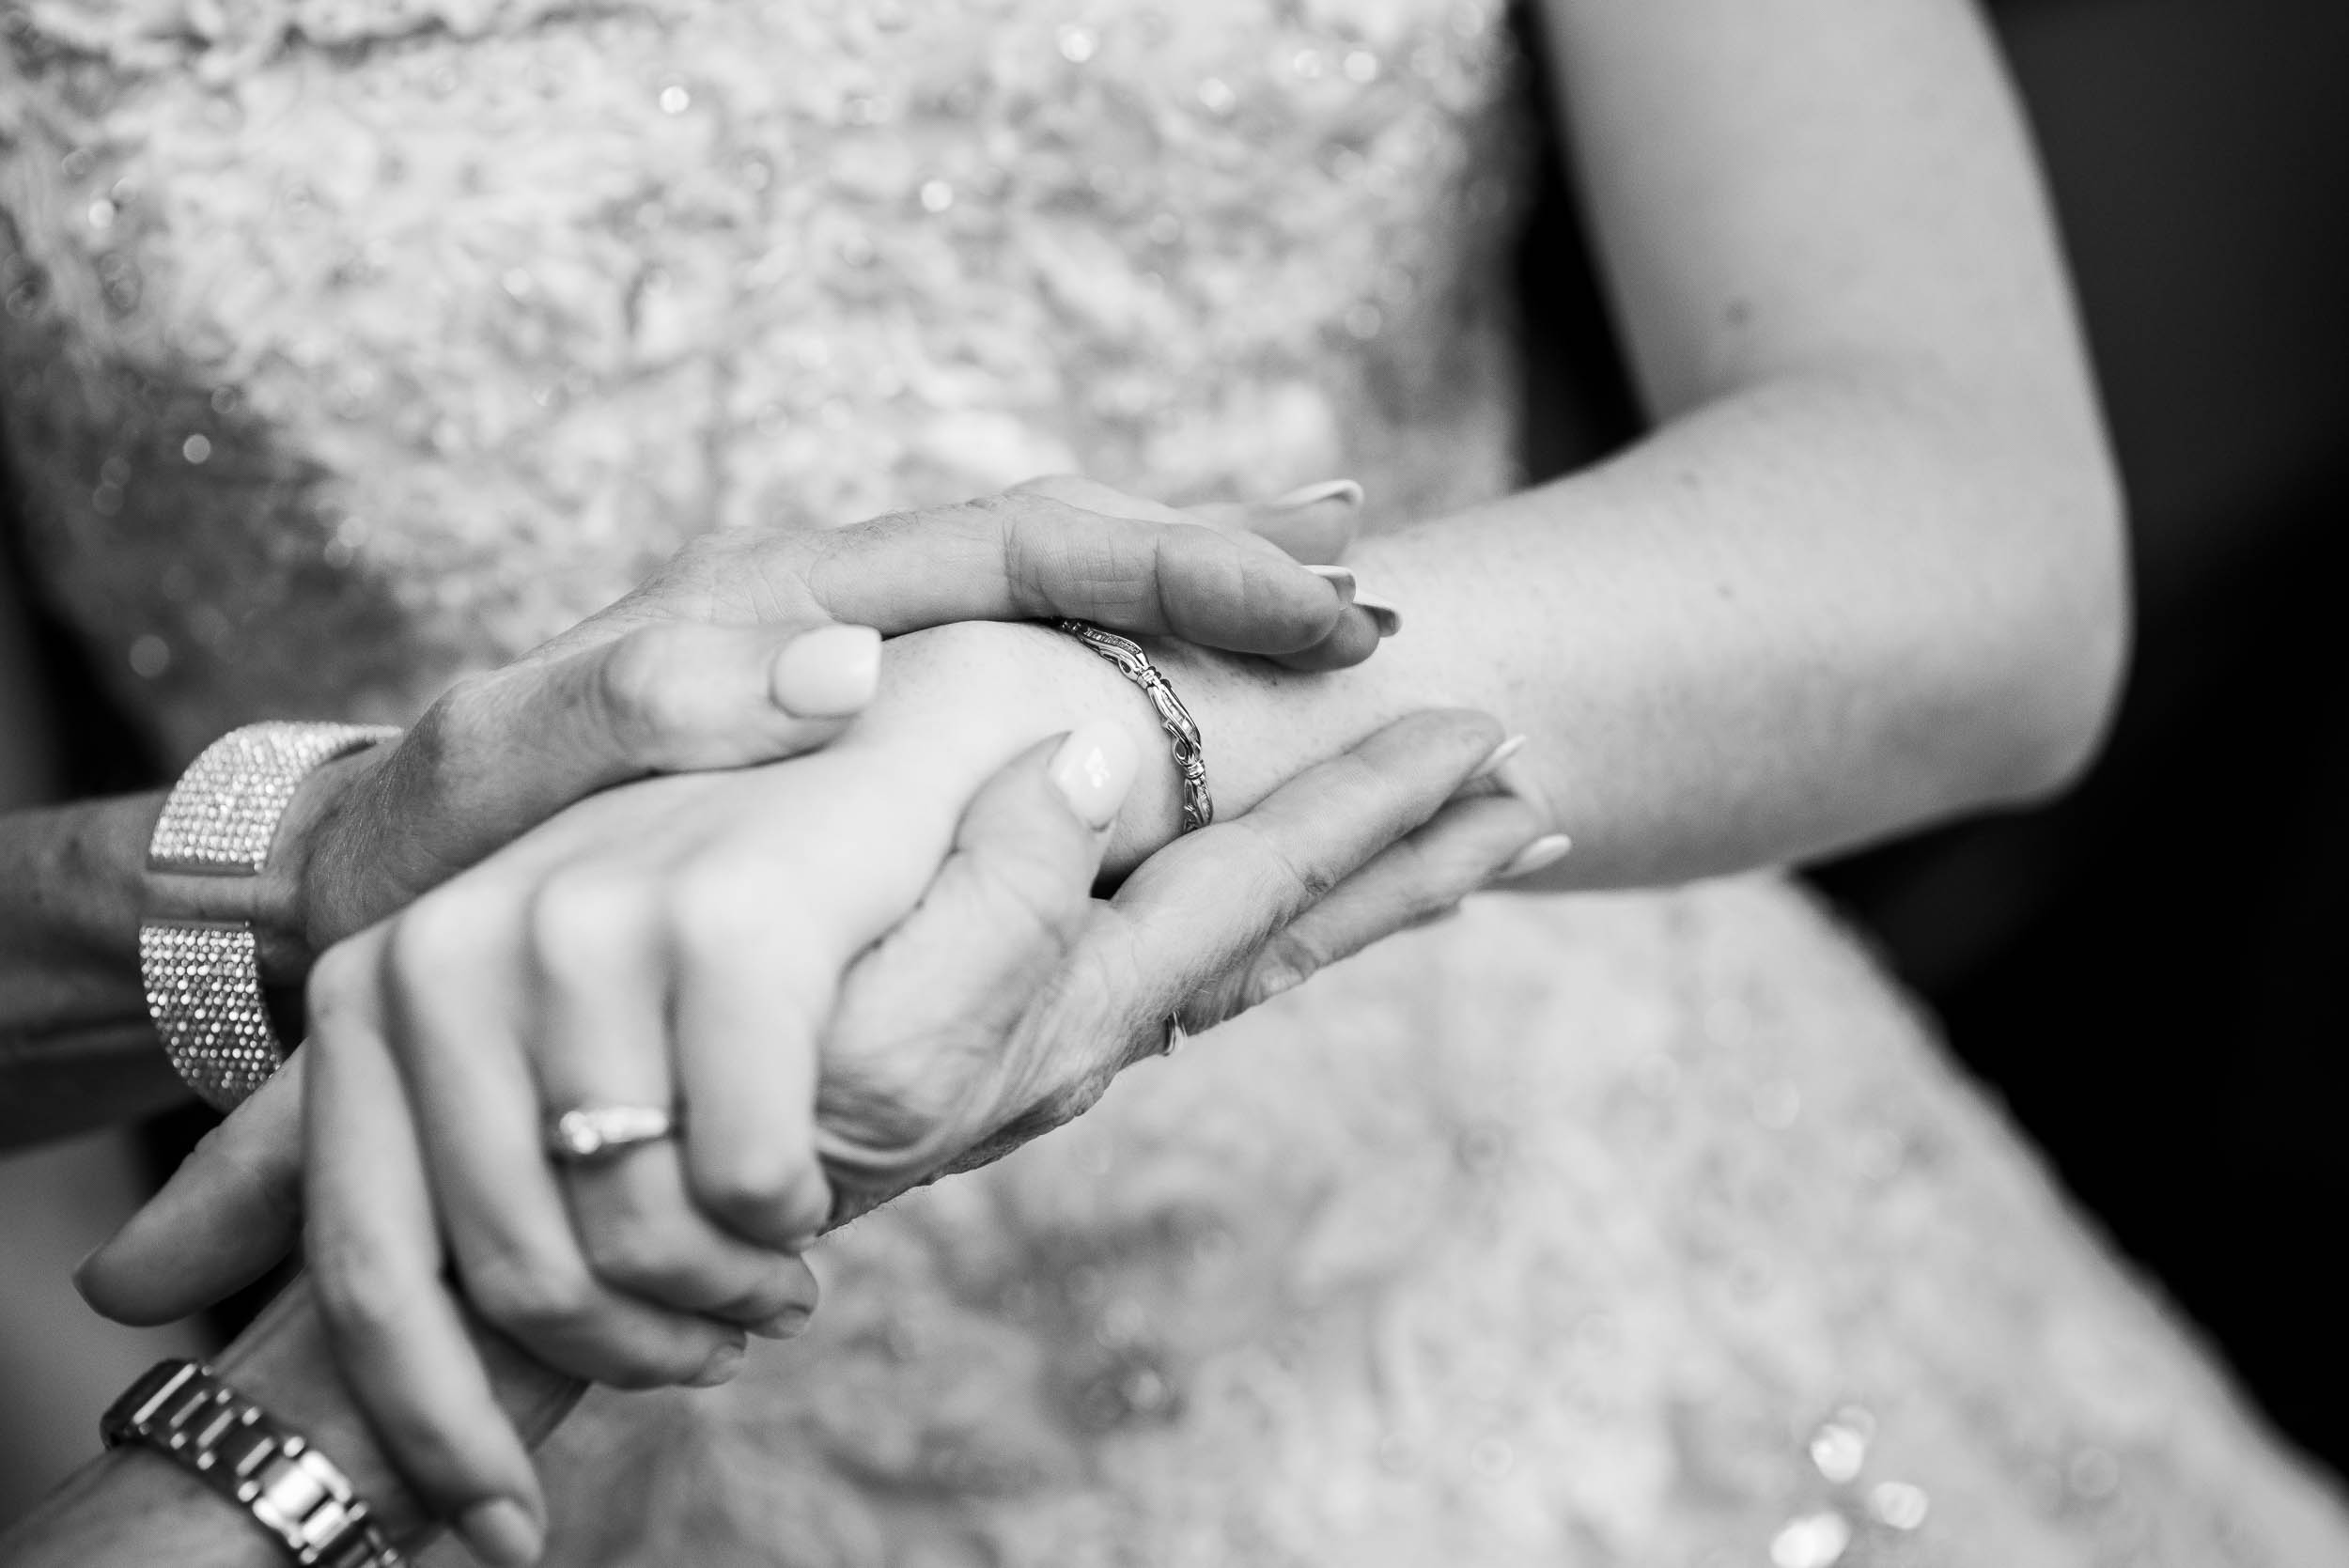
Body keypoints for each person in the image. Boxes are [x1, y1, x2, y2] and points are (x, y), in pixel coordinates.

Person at [4, 0, 2346, 1564]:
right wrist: (246, 1450)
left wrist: (1077, 725)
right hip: (596, 1393)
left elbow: (1977, 536)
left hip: (1611, 1233)